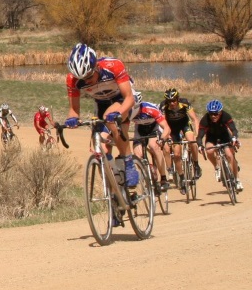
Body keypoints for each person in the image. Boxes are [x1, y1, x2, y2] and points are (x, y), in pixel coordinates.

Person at [64, 42, 140, 188]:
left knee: (110, 117)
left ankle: (129, 163)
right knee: (100, 149)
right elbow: (74, 109)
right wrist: (72, 119)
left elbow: (129, 98)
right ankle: (114, 194)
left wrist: (118, 112)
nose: (86, 81)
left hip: (124, 100)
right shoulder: (72, 80)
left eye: (89, 76)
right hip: (101, 104)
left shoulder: (113, 66)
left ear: (97, 66)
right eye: (82, 79)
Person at [128, 92, 172, 190]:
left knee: (154, 146)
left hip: (154, 128)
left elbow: (166, 128)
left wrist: (162, 139)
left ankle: (163, 178)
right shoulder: (128, 112)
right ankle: (149, 169)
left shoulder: (150, 109)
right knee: (137, 155)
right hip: (140, 129)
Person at [197, 99, 243, 192]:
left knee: (230, 156)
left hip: (225, 137)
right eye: (211, 114)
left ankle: (237, 180)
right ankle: (217, 167)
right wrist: (200, 145)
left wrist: (234, 137)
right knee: (209, 150)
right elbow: (200, 136)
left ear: (220, 112)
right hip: (211, 138)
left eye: (216, 114)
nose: (213, 116)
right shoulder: (205, 120)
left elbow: (233, 129)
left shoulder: (226, 116)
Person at [160, 87, 203, 179]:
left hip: (184, 125)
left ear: (178, 99)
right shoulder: (163, 106)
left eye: (174, 100)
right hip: (172, 128)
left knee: (192, 141)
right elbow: (163, 123)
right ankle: (180, 176)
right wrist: (167, 135)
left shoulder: (184, 102)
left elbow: (195, 119)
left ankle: (196, 165)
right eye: (169, 101)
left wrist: (198, 135)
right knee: (176, 154)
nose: (172, 103)